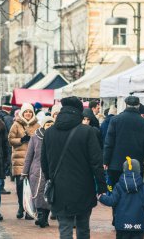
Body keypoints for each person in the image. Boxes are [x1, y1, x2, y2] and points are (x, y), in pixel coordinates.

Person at [41, 96, 106, 239]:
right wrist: (102, 187)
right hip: (84, 188)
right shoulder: (87, 132)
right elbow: (96, 163)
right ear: (79, 112)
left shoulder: (49, 133)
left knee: (64, 228)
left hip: (59, 188)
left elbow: (44, 162)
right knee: (83, 227)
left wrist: (51, 179)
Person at [99, 158, 144, 239]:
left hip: (122, 226)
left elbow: (112, 201)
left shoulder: (119, 186)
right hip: (138, 226)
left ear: (124, 170)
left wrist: (101, 197)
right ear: (139, 170)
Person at [104, 96, 144, 183]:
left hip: (116, 165)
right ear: (138, 106)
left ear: (126, 105)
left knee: (116, 193)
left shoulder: (115, 120)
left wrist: (106, 161)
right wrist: (140, 157)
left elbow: (109, 143)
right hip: (136, 165)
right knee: (134, 193)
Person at [8, 103, 40, 219]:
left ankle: (29, 210)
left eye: (30, 112)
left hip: (33, 160)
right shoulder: (16, 124)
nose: (28, 114)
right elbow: (10, 139)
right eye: (26, 112)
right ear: (22, 113)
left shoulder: (37, 125)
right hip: (19, 159)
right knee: (20, 185)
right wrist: (21, 139)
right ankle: (21, 207)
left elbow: (41, 139)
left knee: (32, 186)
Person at [22, 116, 54, 228]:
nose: (50, 127)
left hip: (51, 170)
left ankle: (44, 218)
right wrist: (24, 172)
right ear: (43, 125)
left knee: (48, 194)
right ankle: (41, 216)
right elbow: (29, 156)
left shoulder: (56, 137)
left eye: (51, 125)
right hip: (36, 171)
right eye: (47, 125)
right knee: (38, 193)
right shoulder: (35, 138)